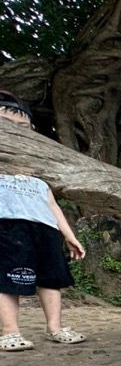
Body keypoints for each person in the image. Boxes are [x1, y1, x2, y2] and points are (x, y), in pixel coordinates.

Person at [0, 90, 87, 352]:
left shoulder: (39, 173)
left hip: (46, 230)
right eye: (6, 125)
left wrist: (69, 235)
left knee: (51, 280)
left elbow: (52, 206)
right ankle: (9, 332)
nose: (16, 131)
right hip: (8, 226)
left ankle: (55, 327)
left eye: (22, 127)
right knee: (6, 280)